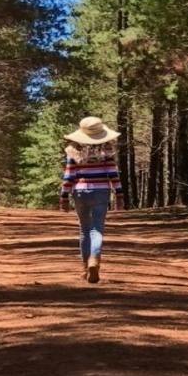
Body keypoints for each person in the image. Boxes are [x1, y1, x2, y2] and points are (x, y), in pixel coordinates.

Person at [59, 116, 124, 283]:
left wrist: (64, 195)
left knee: (84, 230)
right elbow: (113, 173)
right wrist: (119, 194)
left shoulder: (73, 151)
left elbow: (69, 175)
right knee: (97, 229)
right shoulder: (108, 151)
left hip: (80, 192)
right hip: (101, 191)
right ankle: (94, 260)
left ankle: (85, 268)